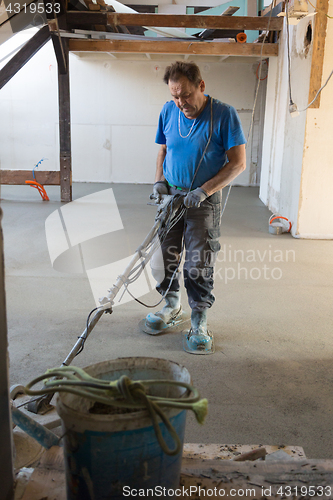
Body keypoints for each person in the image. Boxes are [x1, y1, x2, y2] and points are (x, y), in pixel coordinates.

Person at [146, 61, 247, 352]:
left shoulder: (224, 114)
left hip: (203, 202)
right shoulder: (168, 110)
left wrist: (204, 191)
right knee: (163, 259)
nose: (181, 103)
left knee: (198, 264)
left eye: (186, 95)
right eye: (175, 96)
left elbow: (238, 163)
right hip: (171, 198)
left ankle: (199, 319)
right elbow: (163, 150)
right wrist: (158, 182)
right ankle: (171, 305)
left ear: (201, 86)